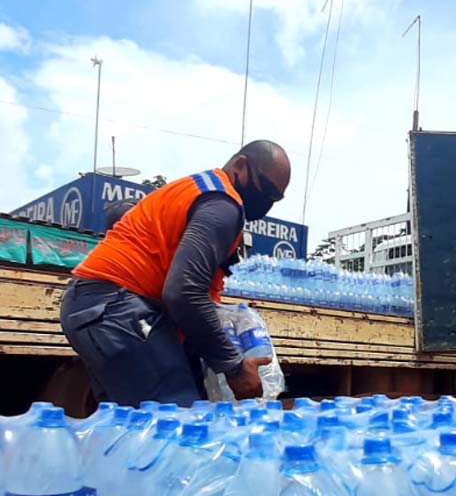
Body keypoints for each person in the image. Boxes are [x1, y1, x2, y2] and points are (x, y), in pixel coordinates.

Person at [60, 140, 291, 407]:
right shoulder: (223, 205)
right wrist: (234, 367)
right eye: (265, 189)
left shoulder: (198, 189)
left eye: (276, 198)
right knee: (177, 423)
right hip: (117, 308)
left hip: (97, 307)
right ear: (240, 165)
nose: (267, 203)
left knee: (133, 427)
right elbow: (183, 291)